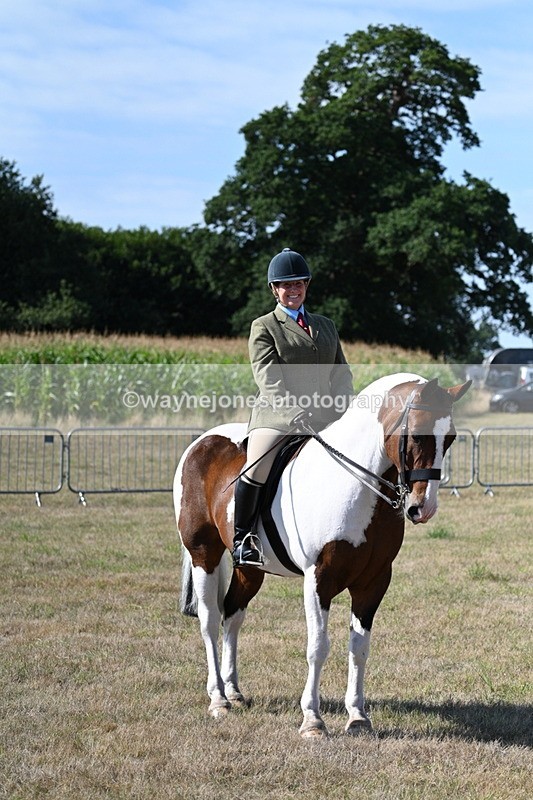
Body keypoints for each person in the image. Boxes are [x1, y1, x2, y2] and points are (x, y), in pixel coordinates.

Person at [232, 247, 354, 567]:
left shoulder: (325, 325)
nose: (293, 290)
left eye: (299, 283)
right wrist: (293, 414)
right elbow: (269, 380)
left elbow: (341, 372)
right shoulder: (264, 326)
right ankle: (243, 538)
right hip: (278, 416)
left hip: (325, 415)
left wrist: (344, 407)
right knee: (256, 464)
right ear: (274, 289)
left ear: (307, 285)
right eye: (286, 285)